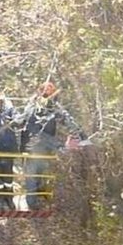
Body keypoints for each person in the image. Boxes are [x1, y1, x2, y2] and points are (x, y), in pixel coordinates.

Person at [17, 81, 86, 209]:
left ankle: (37, 198)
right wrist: (59, 146)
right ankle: (31, 203)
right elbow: (33, 128)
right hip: (31, 147)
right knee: (31, 174)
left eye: (51, 89)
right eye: (45, 89)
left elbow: (67, 119)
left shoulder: (54, 107)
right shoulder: (33, 105)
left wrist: (80, 134)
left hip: (45, 149)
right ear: (40, 90)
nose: (48, 91)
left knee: (41, 173)